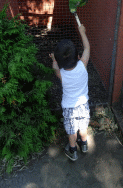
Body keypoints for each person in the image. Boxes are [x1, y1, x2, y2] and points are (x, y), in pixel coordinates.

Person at [49, 24, 90, 161]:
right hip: (83, 105)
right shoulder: (83, 64)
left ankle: (73, 150)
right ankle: (84, 144)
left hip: (69, 108)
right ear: (78, 56)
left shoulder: (61, 74)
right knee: (83, 125)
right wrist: (82, 32)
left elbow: (55, 68)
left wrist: (54, 59)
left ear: (61, 62)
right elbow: (87, 48)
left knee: (72, 130)